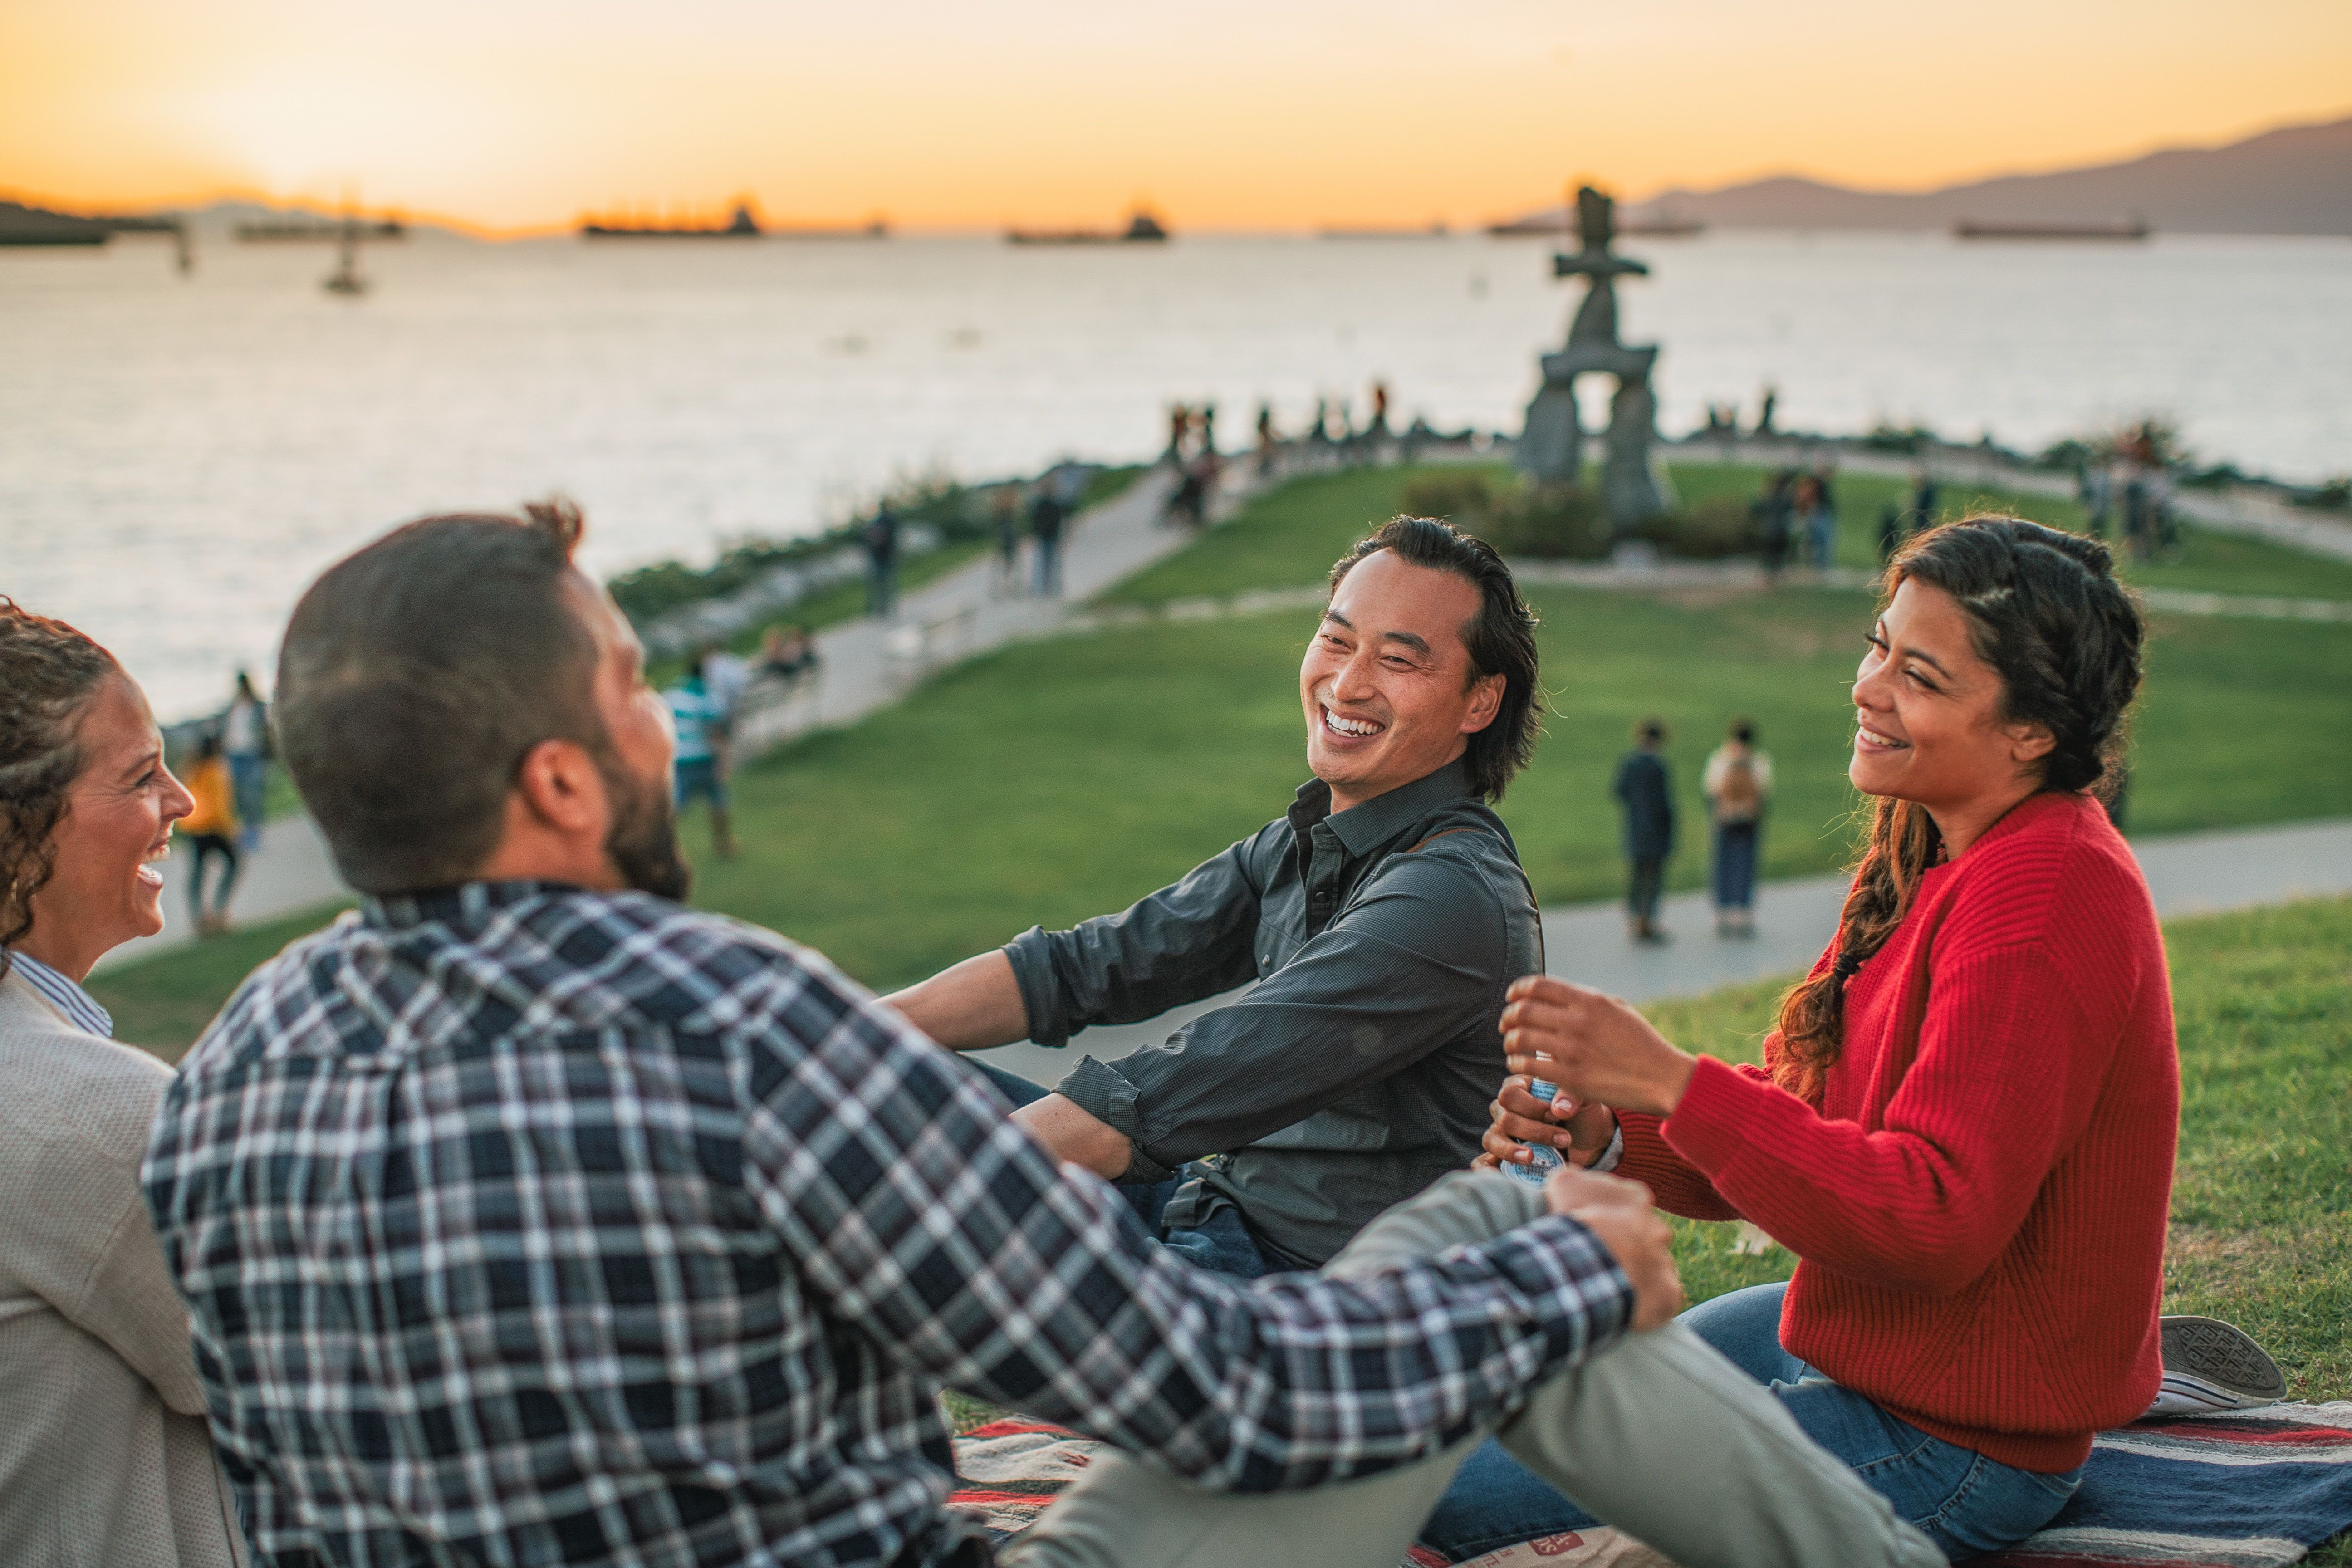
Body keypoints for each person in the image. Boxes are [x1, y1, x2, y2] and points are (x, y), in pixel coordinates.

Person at [140, 502, 1939, 1568]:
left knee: (1472, 1235)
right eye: (634, 691)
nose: (668, 723)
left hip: (1239, 1221)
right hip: (1223, 1299)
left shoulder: (229, 1073)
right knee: (1509, 1267)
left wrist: (877, 1079)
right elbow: (1234, 1399)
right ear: (555, 777)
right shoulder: (740, 1039)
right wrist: (1570, 1280)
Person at [1461, 516, 2271, 1561]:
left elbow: (1934, 1217)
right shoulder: (1924, 849)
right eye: (1875, 643)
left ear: (2030, 730)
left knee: (1564, 1507)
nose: (1865, 684)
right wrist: (1616, 1129)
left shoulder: (2047, 894)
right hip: (1844, 1343)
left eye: (1918, 674)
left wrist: (1669, 1074)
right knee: (1458, 1455)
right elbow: (1804, 1122)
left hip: (1955, 1444)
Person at [888, 515, 1548, 1279]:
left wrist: (935, 1195)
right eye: (1336, 641)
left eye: (1396, 659)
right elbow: (1086, 967)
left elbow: (1164, 1094)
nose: (1347, 683)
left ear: (1479, 701)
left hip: (1299, 1299)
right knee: (888, 1084)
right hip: (1204, 1212)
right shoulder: (1311, 840)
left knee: (917, 1224)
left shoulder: (1449, 900)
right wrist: (833, 1039)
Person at [0, 599, 244, 1568]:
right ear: (18, 828)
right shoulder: (82, 1115)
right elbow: (326, 1369)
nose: (183, 801)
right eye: (143, 776)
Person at [1703, 719, 1772, 937]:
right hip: (1749, 820)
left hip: (1726, 819)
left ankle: (1722, 910)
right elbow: (1765, 792)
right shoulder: (1759, 761)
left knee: (1723, 863)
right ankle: (1742, 911)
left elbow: (1711, 790)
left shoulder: (1721, 759)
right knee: (1746, 863)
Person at [666, 651, 735, 859]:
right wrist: (725, 761)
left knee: (676, 807)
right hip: (703, 759)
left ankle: (664, 848)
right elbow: (719, 732)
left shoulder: (672, 695)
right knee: (718, 802)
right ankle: (723, 843)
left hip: (679, 759)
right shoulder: (710, 698)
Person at [1612, 718, 1674, 944]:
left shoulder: (1630, 763)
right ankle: (1646, 922)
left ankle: (1634, 918)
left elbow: (1619, 791)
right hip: (1655, 830)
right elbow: (1664, 803)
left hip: (1635, 828)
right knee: (1652, 877)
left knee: (1637, 875)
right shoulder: (1658, 766)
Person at [178, 731, 241, 935]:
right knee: (233, 864)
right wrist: (230, 829)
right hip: (214, 827)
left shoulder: (192, 769)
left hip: (195, 829)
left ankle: (200, 918)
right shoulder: (216, 769)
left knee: (197, 875)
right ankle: (219, 910)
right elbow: (220, 804)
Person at [220, 670, 267, 851]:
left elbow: (264, 730)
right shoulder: (233, 706)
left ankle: (255, 834)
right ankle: (244, 834)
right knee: (237, 796)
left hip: (252, 754)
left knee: (253, 795)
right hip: (234, 754)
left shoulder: (256, 706)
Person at [863, 500, 900, 619]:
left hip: (878, 556)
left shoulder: (877, 522)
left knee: (880, 584)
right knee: (887, 583)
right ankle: (886, 607)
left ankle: (882, 608)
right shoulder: (889, 521)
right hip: (885, 556)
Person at [1030, 482, 1067, 596]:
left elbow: (1036, 522)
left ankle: (1045, 589)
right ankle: (1050, 589)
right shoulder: (1052, 505)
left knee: (1044, 565)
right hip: (1048, 537)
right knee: (1050, 565)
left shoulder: (1042, 505)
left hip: (1046, 537)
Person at [991, 485, 1025, 595]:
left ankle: (1007, 588)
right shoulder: (1007, 518)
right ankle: (1009, 588)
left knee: (1007, 568)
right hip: (1008, 543)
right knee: (1010, 567)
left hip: (1006, 543)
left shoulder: (1002, 517)